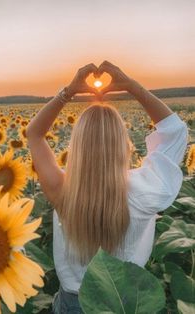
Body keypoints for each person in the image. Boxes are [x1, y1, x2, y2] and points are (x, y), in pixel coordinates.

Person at [26, 60, 189, 314]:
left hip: (73, 304)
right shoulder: (146, 190)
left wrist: (69, 91)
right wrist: (131, 86)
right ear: (124, 146)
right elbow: (176, 132)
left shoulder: (62, 188)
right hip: (127, 302)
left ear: (76, 147)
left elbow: (34, 133)